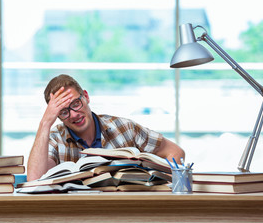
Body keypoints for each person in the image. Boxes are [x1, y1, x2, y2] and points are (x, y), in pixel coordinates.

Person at [27, 74, 185, 181]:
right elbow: (34, 179)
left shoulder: (125, 128)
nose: (74, 115)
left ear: (86, 97)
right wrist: (45, 123)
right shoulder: (55, 138)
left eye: (76, 104)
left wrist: (153, 185)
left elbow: (176, 152)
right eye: (63, 111)